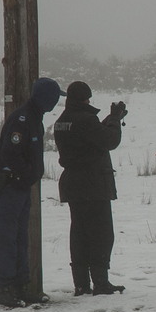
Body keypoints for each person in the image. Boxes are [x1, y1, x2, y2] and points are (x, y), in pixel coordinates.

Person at [0, 77, 65, 308]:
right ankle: (5, 288)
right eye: (55, 97)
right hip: (8, 186)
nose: (56, 102)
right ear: (47, 97)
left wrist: (27, 177)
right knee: (5, 239)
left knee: (19, 238)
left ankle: (20, 286)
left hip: (19, 187)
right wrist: (25, 174)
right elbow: (11, 154)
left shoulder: (33, 118)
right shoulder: (22, 119)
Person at [54, 81, 128, 296]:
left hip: (73, 183)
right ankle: (100, 282)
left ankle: (81, 283)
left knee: (79, 234)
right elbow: (108, 140)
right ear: (86, 98)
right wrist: (114, 119)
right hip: (92, 184)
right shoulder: (86, 119)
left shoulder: (62, 120)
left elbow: (90, 137)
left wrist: (109, 119)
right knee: (101, 235)